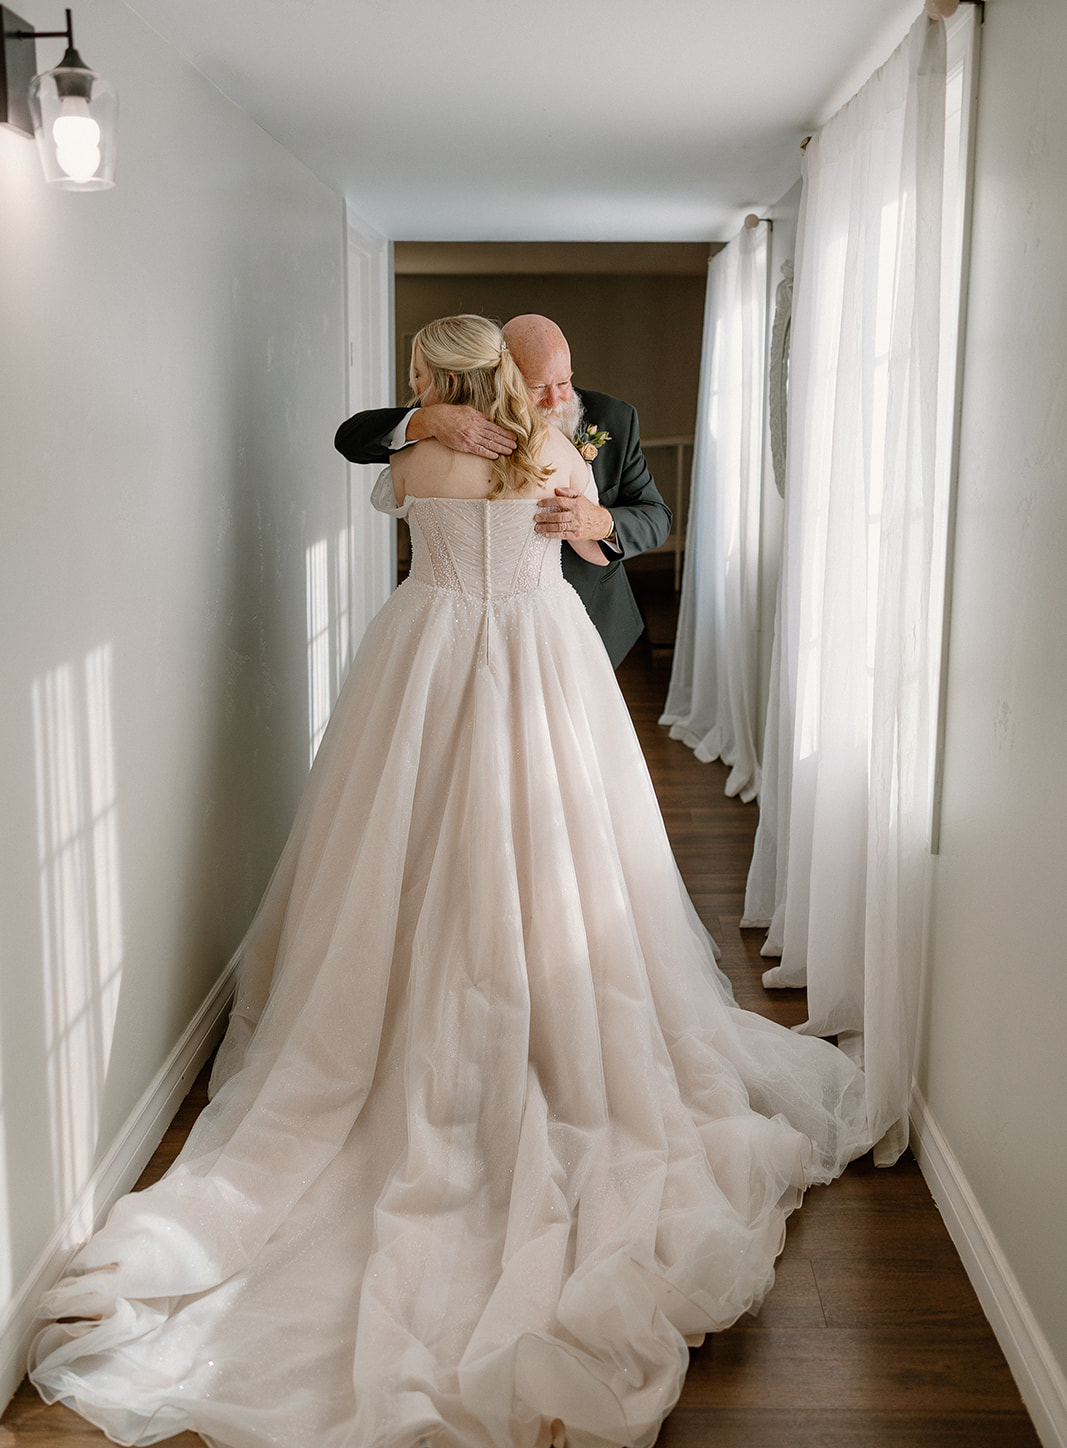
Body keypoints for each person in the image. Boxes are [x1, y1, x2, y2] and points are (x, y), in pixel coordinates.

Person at [30, 316, 866, 1448]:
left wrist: (457, 445)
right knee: (554, 853)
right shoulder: (552, 455)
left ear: (432, 377)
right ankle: (537, 1032)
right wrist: (552, 495)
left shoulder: (418, 455)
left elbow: (427, 484)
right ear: (511, 375)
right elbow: (556, 528)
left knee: (403, 852)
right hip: (538, 661)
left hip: (423, 658)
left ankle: (411, 1035)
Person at [334, 313, 671, 667]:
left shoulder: (614, 417)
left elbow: (656, 515)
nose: (556, 400)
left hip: (582, 618)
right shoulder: (458, 420)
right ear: (501, 373)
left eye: (565, 382)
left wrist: (602, 523)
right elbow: (351, 439)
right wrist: (428, 420)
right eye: (538, 387)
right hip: (458, 632)